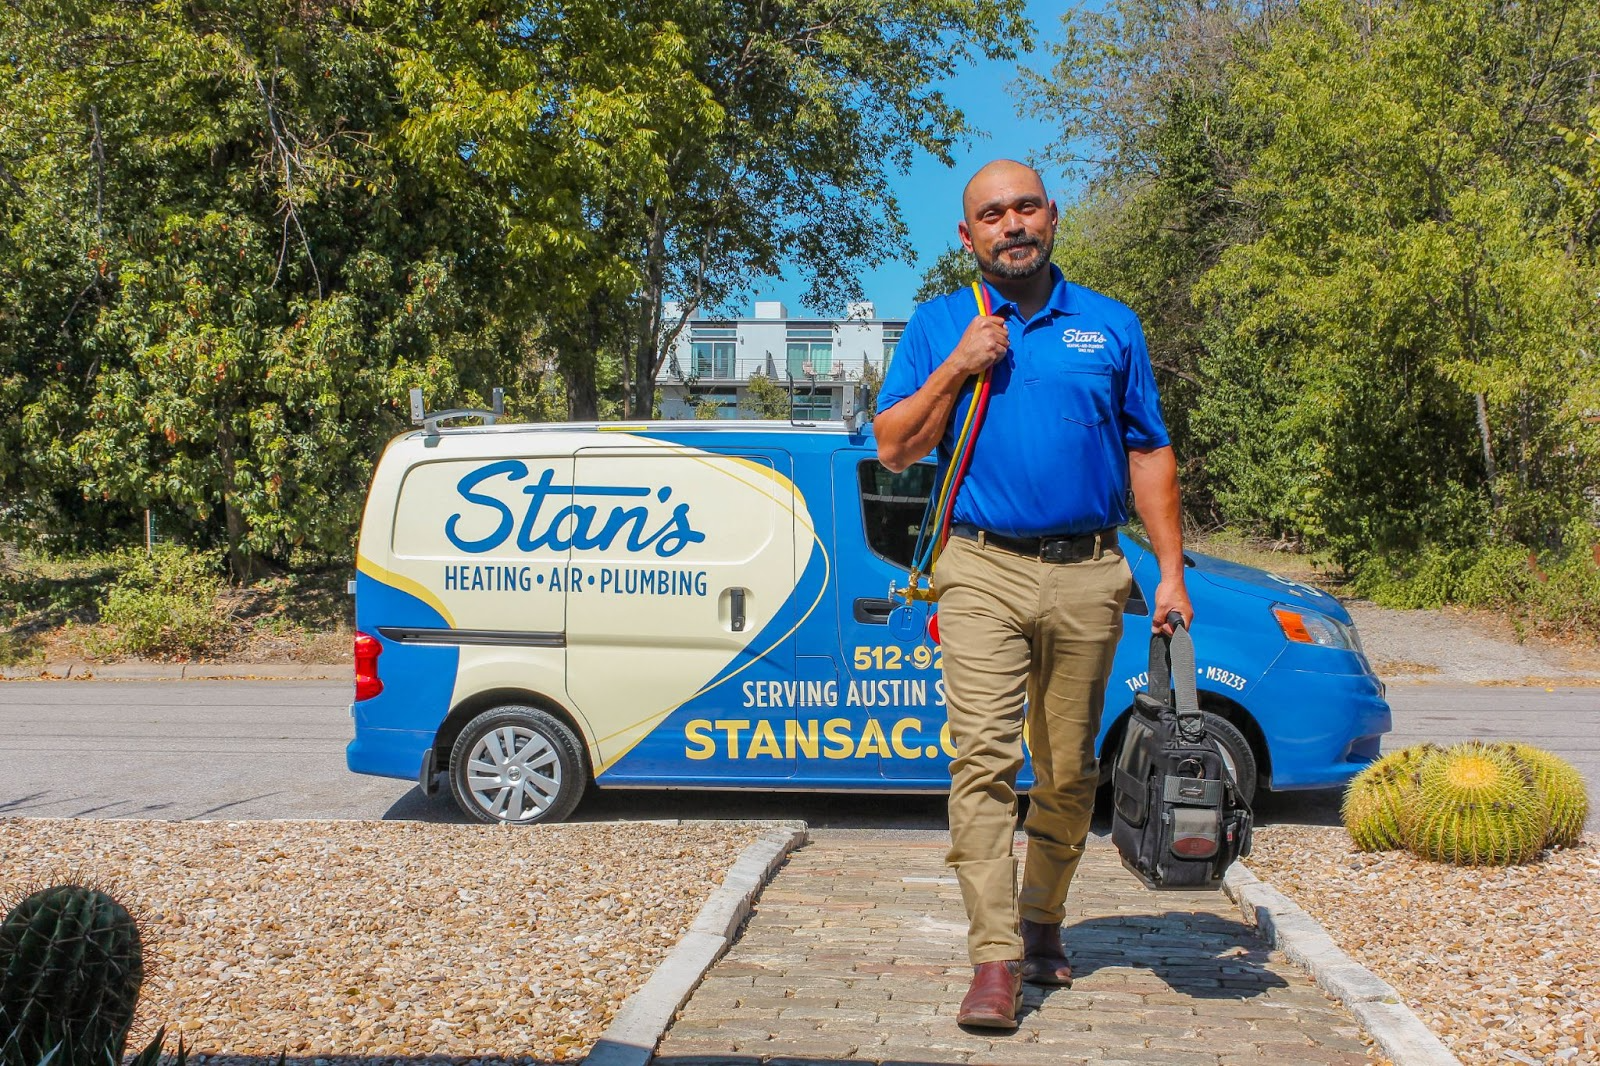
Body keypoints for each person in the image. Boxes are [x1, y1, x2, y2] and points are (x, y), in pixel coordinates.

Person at [873, 159, 1193, 1030]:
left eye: (1024, 207)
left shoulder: (1109, 325)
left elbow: (1149, 451)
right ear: (967, 236)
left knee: (1068, 770)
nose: (1010, 224)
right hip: (980, 566)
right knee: (980, 760)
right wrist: (956, 368)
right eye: (991, 214)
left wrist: (1167, 571)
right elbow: (896, 446)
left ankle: (1043, 917)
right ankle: (993, 959)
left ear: (1051, 216)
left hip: (1091, 567)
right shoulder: (941, 323)